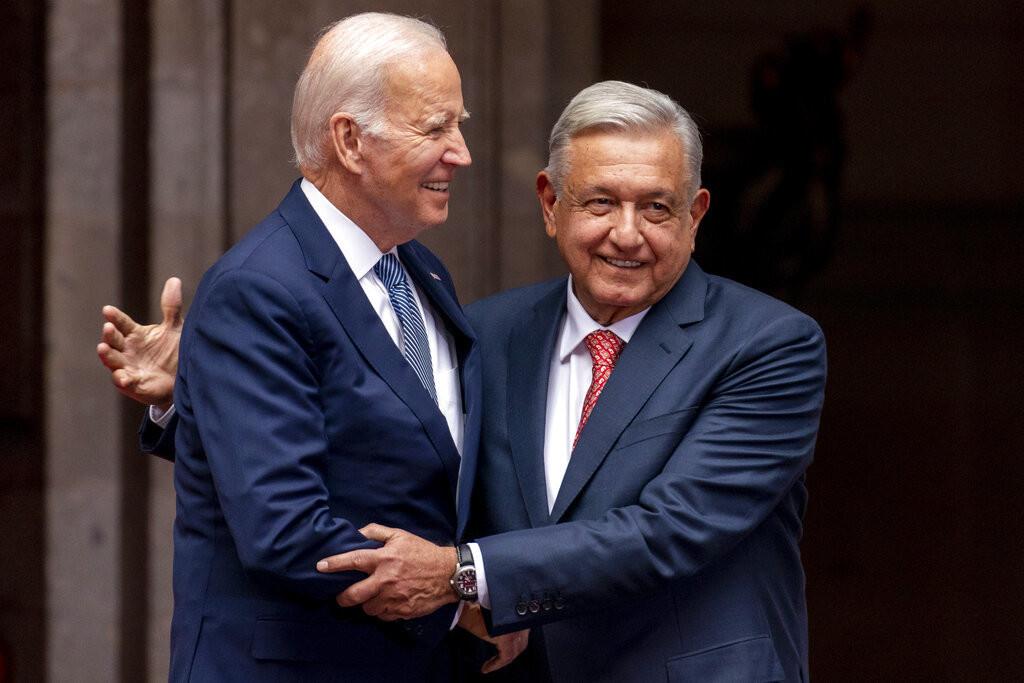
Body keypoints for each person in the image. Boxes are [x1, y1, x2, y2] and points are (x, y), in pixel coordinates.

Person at [102, 81, 826, 682]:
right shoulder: (485, 330)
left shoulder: (770, 346)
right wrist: (198, 391)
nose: (628, 233)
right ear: (551, 204)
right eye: (600, 202)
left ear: (697, 215)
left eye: (657, 207)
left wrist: (461, 574)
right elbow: (387, 462)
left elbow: (669, 529)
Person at [98, 12, 526, 682]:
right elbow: (285, 527)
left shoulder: (422, 270)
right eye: (435, 127)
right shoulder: (258, 287)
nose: (462, 152)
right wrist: (459, 598)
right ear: (351, 141)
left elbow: (411, 459)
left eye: (461, 125)